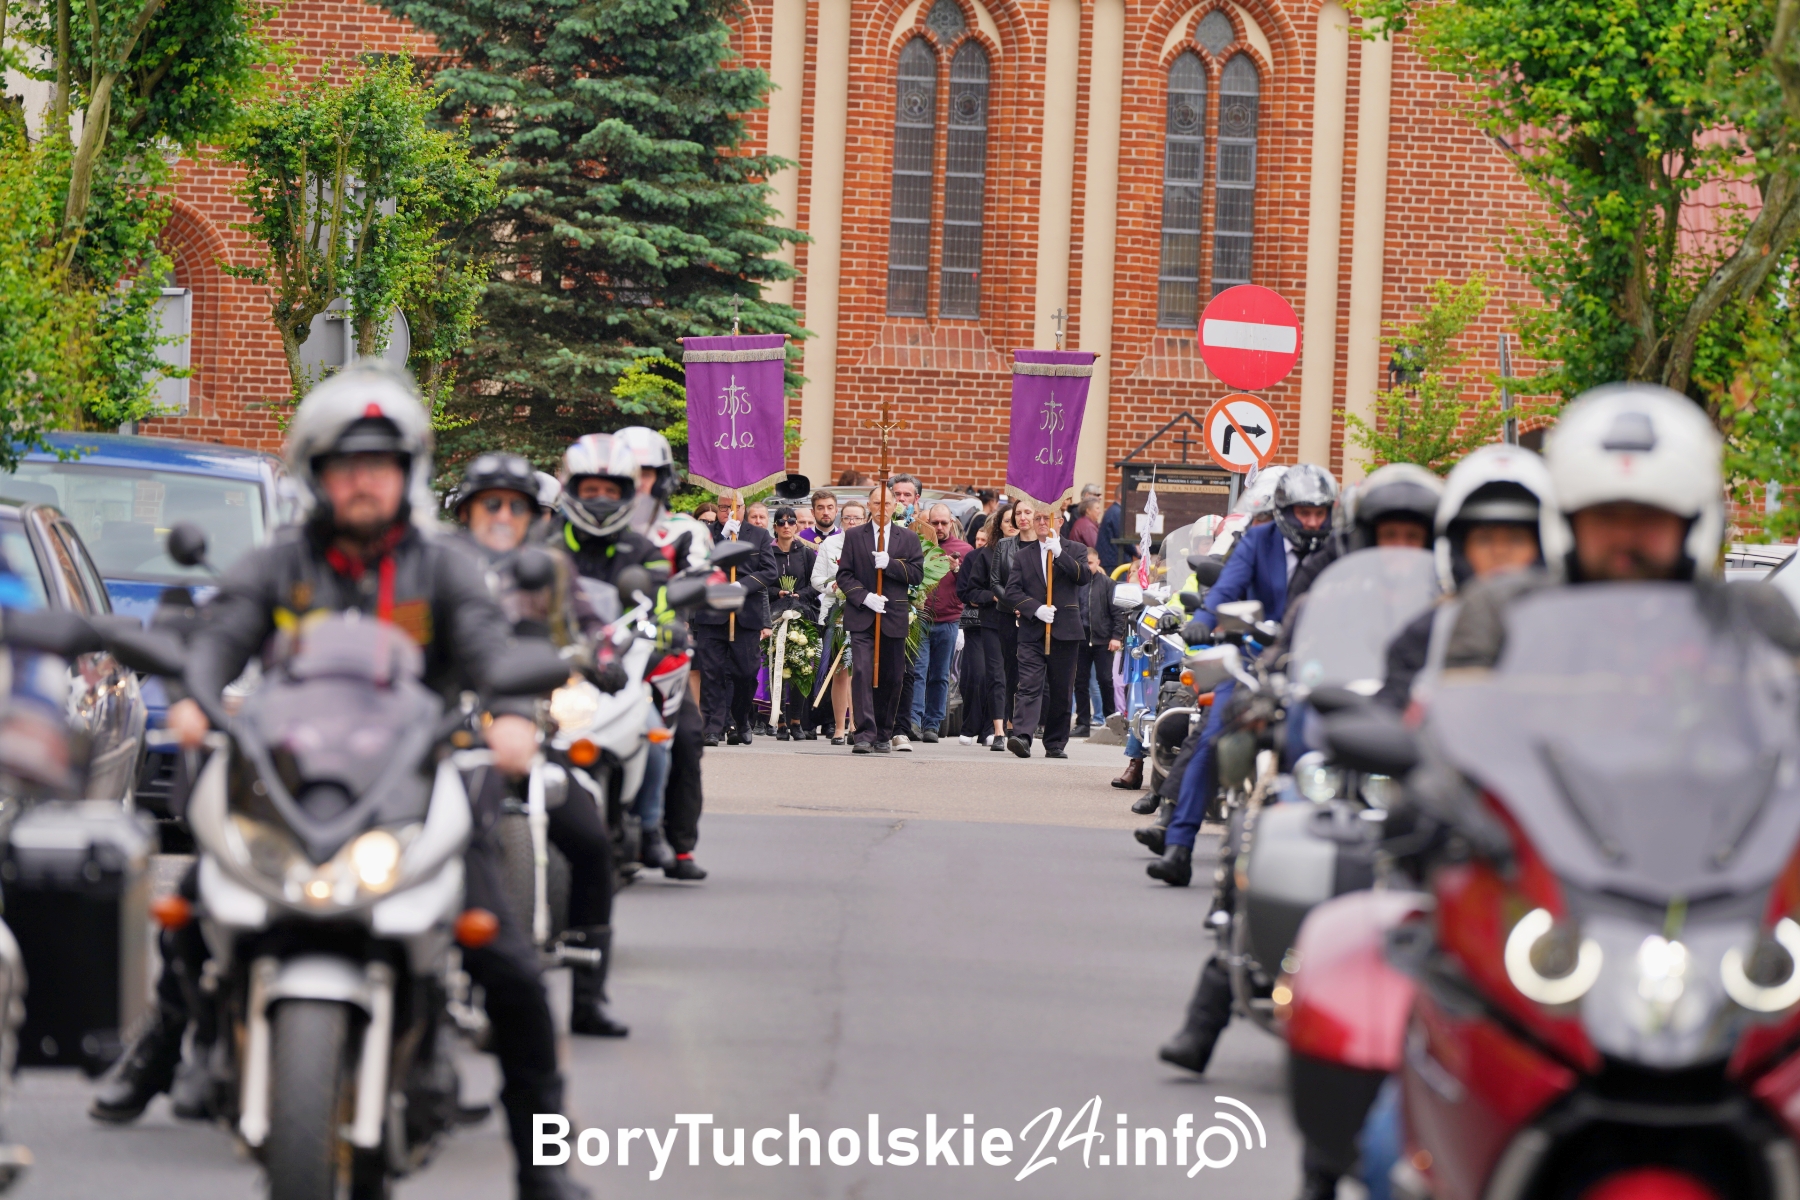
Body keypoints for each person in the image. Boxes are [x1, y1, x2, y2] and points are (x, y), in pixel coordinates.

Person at [130, 364, 588, 1200]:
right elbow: (222, 630)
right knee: (196, 906)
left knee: (515, 974)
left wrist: (514, 708)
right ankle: (167, 1050)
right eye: (346, 465)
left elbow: (490, 648)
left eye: (379, 464)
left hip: (410, 785)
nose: (364, 480)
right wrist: (194, 694)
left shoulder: (444, 569)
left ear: (406, 472)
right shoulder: (281, 564)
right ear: (318, 476)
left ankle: (544, 1159)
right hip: (291, 779)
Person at [458, 450, 632, 1038]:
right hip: (449, 735)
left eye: (517, 506)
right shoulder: (439, 565)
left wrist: (603, 655)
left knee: (588, 838)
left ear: (534, 515)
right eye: (491, 504)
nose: (503, 515)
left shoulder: (550, 570)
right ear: (467, 512)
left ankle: (587, 994)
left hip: (531, 726)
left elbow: (585, 625)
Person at [1147, 463, 1339, 888]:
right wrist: (1206, 618)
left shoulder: (1338, 551)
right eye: (1303, 513)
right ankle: (1178, 846)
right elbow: (1226, 589)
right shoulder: (1258, 540)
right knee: (1215, 732)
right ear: (1285, 512)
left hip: (1319, 666)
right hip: (1256, 659)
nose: (1311, 522)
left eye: (1319, 513)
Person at [1373, 445, 1562, 711]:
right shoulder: (1424, 637)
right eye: (1484, 539)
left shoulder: (1576, 629)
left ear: (1544, 547)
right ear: (1459, 551)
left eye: (1516, 539)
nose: (1500, 553)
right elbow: (1391, 723)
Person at [614, 424, 712, 882]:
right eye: (627, 472)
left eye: (646, 473)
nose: (637, 481)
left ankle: (679, 843)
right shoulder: (589, 525)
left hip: (660, 652)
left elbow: (706, 580)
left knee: (688, 735)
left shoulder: (682, 529)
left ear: (662, 477)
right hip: (602, 652)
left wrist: (679, 614)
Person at [837, 485, 924, 752]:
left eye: (886, 504)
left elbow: (917, 574)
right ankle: (864, 733)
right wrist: (863, 597)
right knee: (862, 671)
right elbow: (844, 575)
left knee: (892, 676)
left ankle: (884, 733)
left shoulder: (907, 538)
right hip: (863, 614)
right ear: (869, 505)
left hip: (893, 615)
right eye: (876, 503)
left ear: (895, 505)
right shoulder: (854, 536)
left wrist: (892, 564)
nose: (881, 509)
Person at [1284, 462, 1443, 606]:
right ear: (1370, 540)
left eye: (1413, 537)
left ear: (1429, 543)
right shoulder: (1338, 601)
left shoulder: (1444, 606)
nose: (1400, 547)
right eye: (1389, 535)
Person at [1002, 501, 1089, 758]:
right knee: (1029, 684)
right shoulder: (1023, 555)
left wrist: (1060, 554)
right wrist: (1035, 608)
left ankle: (1054, 742)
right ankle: (1023, 737)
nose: (1042, 522)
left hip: (1066, 631)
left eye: (1047, 518)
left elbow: (1083, 577)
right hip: (1032, 630)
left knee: (1061, 689)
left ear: (1059, 522)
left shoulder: (1077, 549)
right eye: (1038, 518)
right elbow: (1012, 592)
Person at [696, 497, 777, 745]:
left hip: (745, 614)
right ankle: (712, 727)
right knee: (712, 673)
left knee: (745, 673)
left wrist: (740, 585)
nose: (728, 511)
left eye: (734, 506)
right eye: (723, 507)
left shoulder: (759, 535)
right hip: (712, 614)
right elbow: (697, 566)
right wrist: (720, 539)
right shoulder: (705, 534)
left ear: (743, 508)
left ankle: (741, 719)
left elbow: (769, 572)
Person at [909, 503, 970, 741]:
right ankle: (914, 721)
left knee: (941, 674)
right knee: (918, 671)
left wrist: (957, 570)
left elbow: (969, 586)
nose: (940, 527)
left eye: (944, 523)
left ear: (952, 523)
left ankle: (932, 724)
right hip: (921, 618)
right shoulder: (919, 546)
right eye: (935, 523)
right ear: (928, 523)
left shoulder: (963, 549)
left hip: (949, 620)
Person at [811, 498, 867, 743]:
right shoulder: (830, 544)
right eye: (847, 518)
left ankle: (858, 725)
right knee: (840, 672)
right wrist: (833, 586)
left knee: (860, 672)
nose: (852, 522)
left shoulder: (870, 544)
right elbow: (816, 579)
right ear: (840, 520)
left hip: (863, 611)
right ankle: (839, 727)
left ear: (865, 520)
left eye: (857, 518)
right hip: (836, 613)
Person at [768, 505, 819, 739]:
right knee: (776, 666)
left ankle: (796, 721)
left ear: (797, 525)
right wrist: (777, 592)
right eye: (781, 522)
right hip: (774, 614)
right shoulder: (767, 552)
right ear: (775, 526)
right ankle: (778, 722)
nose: (786, 526)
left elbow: (814, 584)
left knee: (800, 666)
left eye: (791, 522)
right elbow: (761, 582)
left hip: (801, 613)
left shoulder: (806, 552)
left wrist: (800, 595)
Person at [963, 513, 1013, 750]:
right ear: (998, 526)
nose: (1013, 524)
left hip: (1026, 621)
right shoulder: (986, 554)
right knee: (995, 675)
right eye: (1007, 521)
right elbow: (971, 591)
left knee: (1019, 676)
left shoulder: (1036, 551)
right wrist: (992, 596)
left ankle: (1017, 727)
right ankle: (998, 730)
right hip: (993, 621)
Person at [987, 501, 1032, 732]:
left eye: (1027, 512)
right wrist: (1015, 603)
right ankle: (1008, 722)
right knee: (1009, 670)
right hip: (1007, 614)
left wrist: (1029, 606)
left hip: (1036, 616)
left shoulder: (1044, 545)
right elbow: (995, 582)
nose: (1022, 517)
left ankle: (1030, 721)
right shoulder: (1004, 545)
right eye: (1018, 513)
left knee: (1032, 669)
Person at [1076, 545, 1122, 733]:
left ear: (1098, 562)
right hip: (1080, 638)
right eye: (1084, 563)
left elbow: (1118, 612)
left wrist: (1116, 636)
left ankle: (1110, 720)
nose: (1087, 567)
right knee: (1080, 681)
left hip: (1103, 638)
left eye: (1091, 563)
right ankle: (1082, 723)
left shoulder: (1108, 584)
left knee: (1105, 680)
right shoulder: (1077, 583)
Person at [1096, 482, 1126, 574]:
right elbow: (1122, 536)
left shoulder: (1114, 510)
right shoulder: (1117, 512)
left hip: (1111, 560)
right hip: (1114, 561)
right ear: (1121, 495)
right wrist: (1138, 553)